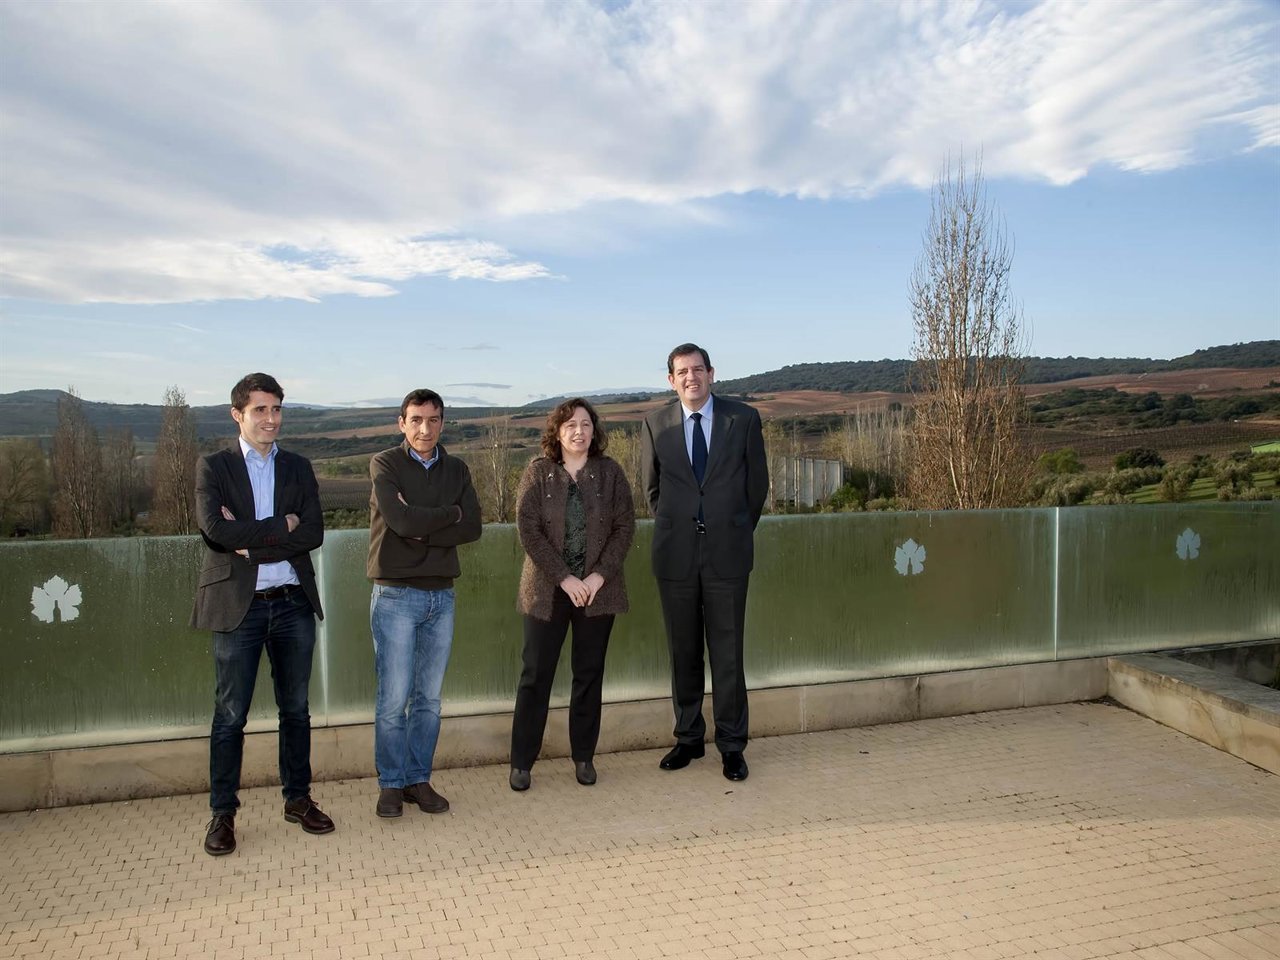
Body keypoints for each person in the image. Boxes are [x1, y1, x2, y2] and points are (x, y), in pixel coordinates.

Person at [192, 372, 334, 857]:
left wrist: (252, 541)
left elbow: (312, 531)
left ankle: (297, 800)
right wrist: (279, 527)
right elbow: (214, 530)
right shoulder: (214, 467)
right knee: (231, 714)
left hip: (292, 604)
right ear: (238, 414)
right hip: (240, 609)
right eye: (260, 410)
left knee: (296, 710)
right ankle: (222, 814)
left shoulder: (297, 466)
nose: (271, 419)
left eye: (276, 409)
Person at [641, 343, 768, 781]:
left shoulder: (743, 419)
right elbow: (652, 491)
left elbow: (757, 488)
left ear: (712, 374)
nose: (691, 377)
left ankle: (732, 745)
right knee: (684, 652)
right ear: (671, 379)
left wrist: (729, 528)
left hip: (728, 556)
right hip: (675, 557)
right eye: (682, 371)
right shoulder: (655, 423)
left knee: (728, 655)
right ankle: (689, 739)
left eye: (698, 369)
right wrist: (683, 528)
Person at [509, 399, 635, 791]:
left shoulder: (611, 473)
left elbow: (624, 528)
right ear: (557, 433)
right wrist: (565, 578)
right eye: (570, 425)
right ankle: (521, 763)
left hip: (599, 592)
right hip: (548, 591)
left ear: (594, 430)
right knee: (535, 675)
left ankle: (583, 757)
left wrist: (598, 576)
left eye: (585, 424)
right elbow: (528, 531)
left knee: (589, 674)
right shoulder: (538, 473)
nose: (579, 431)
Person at [368, 388, 482, 818]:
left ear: (442, 424)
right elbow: (398, 522)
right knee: (393, 698)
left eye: (433, 420)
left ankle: (418, 780)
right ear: (402, 423)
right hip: (395, 593)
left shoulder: (456, 468)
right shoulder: (385, 463)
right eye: (416, 419)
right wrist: (447, 514)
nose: (424, 428)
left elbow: (472, 526)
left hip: (442, 595)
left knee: (429, 699)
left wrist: (425, 522)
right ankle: (391, 785)